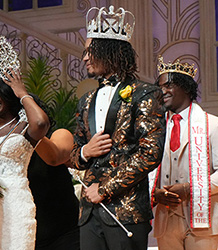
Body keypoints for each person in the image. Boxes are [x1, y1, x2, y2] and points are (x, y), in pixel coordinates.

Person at [70, 5, 165, 250]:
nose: (84, 58)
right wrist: (84, 152)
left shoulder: (145, 94)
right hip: (89, 214)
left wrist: (105, 188)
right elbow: (74, 153)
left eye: (91, 51)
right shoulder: (86, 100)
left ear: (110, 51)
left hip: (127, 211)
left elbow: (150, 153)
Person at [0, 32, 49, 250]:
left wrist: (22, 92)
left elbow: (41, 123)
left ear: (9, 93)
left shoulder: (23, 127)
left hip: (14, 205)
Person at [151, 57, 218, 250]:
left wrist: (189, 189)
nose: (163, 91)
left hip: (202, 223)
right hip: (166, 221)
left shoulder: (213, 125)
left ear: (186, 88)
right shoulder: (154, 129)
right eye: (160, 86)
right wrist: (154, 194)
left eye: (169, 85)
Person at [27, 99, 80, 250]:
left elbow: (54, 158)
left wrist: (28, 128)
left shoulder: (59, 135)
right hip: (30, 234)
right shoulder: (11, 149)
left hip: (64, 232)